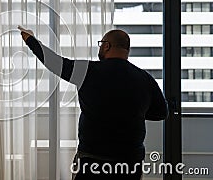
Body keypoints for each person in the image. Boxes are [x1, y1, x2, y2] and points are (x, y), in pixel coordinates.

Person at [19, 27, 168, 180]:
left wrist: (30, 39)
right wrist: (134, 111)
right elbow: (161, 112)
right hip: (129, 163)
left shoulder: (86, 70)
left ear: (107, 46)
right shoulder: (145, 79)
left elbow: (54, 63)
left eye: (101, 44)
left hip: (92, 160)